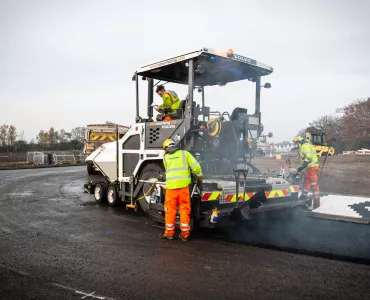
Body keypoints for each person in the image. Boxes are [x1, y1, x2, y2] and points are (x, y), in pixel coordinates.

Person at [159, 139, 203, 241]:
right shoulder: (185, 154)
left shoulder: (165, 158)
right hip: (183, 188)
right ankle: (185, 234)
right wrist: (199, 176)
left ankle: (169, 233)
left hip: (171, 188)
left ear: (166, 148)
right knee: (184, 209)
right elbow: (196, 167)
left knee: (170, 210)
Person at [293, 135, 320, 209]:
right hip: (309, 167)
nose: (296, 145)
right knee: (306, 182)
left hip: (312, 167)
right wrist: (303, 166)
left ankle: (317, 202)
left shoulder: (305, 146)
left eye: (296, 143)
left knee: (314, 185)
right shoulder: (305, 146)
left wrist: (302, 166)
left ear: (299, 142)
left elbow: (308, 157)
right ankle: (303, 196)